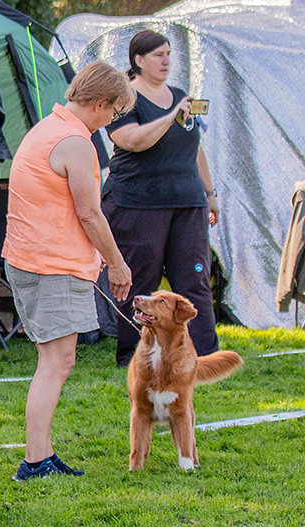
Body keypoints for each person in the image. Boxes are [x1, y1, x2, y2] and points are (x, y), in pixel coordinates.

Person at [1, 61, 134, 481]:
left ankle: (41, 454)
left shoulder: (47, 127)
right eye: (114, 112)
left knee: (54, 360)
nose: (113, 120)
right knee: (56, 362)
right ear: (99, 103)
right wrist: (117, 262)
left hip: (31, 259)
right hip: (51, 264)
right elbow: (91, 214)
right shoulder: (75, 142)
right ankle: (35, 461)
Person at [103, 30, 221, 367]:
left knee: (194, 280)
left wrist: (209, 194)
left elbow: (194, 147)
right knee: (141, 282)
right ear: (138, 61)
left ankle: (204, 356)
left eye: (168, 53)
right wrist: (170, 117)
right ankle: (133, 355)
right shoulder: (124, 99)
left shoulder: (181, 96)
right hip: (138, 203)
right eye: (158, 54)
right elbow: (133, 141)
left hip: (187, 202)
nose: (166, 60)